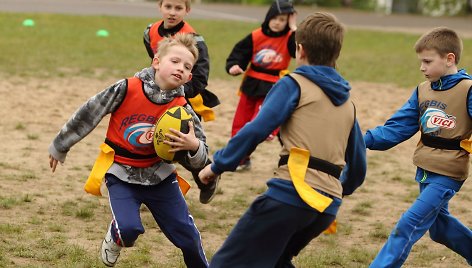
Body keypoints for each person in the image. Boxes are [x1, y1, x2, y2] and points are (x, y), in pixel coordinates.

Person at [199, 12, 367, 267]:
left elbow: (255, 129)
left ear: (299, 50)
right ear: (337, 53)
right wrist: (337, 190)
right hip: (327, 206)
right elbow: (358, 165)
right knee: (277, 260)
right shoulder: (348, 103)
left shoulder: (294, 84)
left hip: (291, 195)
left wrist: (217, 165)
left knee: (227, 262)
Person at [48, 33, 209, 268]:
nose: (180, 68)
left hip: (161, 178)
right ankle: (115, 237)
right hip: (121, 174)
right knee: (129, 229)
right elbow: (90, 111)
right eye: (174, 61)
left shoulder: (183, 109)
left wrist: (193, 147)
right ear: (156, 62)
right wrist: (61, 145)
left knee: (189, 237)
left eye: (186, 66)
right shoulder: (127, 88)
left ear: (189, 77)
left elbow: (202, 156)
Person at [365, 27, 472, 267]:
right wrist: (361, 141)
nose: (421, 67)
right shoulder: (422, 90)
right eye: (420, 62)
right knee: (439, 227)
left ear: (449, 59)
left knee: (408, 224)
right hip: (424, 170)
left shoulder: (468, 90)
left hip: (449, 173)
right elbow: (397, 128)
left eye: (427, 61)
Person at [143, 0, 221, 203]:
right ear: (160, 6)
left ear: (187, 10)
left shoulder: (194, 40)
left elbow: (200, 79)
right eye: (168, 6)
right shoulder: (150, 32)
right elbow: (156, 63)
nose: (172, 12)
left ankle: (207, 177)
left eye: (178, 8)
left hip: (185, 101)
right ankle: (144, 191)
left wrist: (173, 90)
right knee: (151, 141)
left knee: (182, 148)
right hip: (158, 97)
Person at [225, 0, 297, 170]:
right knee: (240, 122)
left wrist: (294, 29)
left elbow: (298, 50)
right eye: (276, 18)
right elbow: (239, 53)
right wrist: (234, 66)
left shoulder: (289, 38)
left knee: (258, 123)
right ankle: (241, 158)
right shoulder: (256, 35)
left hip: (273, 86)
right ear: (269, 17)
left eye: (283, 20)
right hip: (251, 83)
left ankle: (289, 155)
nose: (278, 23)